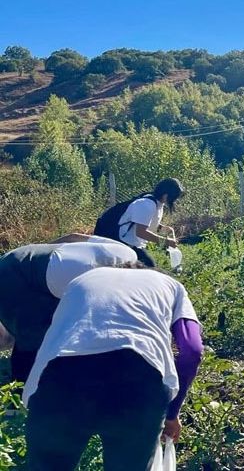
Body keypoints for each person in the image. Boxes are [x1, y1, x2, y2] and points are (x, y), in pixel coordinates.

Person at [23, 264, 203, 470]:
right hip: (139, 383)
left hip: (60, 378)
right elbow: (192, 349)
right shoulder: (172, 286)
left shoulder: (81, 280)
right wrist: (172, 412)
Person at [0, 235, 137, 382]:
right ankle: (21, 388)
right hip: (19, 278)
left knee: (41, 327)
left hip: (22, 257)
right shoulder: (107, 283)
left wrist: (42, 253)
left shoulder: (127, 252)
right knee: (32, 338)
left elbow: (74, 237)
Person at [111, 178, 185, 267]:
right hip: (122, 241)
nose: (174, 201)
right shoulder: (147, 205)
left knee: (146, 267)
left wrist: (162, 228)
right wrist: (165, 241)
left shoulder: (157, 204)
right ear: (165, 195)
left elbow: (144, 222)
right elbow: (141, 232)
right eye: (174, 198)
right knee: (148, 267)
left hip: (133, 243)